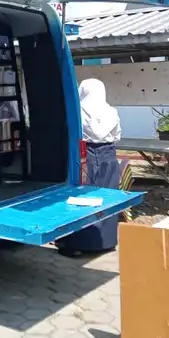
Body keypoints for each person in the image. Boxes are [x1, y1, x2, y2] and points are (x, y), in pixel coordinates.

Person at [56, 78, 122, 257]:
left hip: (86, 155)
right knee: (108, 197)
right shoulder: (111, 111)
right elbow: (117, 135)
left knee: (82, 198)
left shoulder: (78, 111)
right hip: (109, 155)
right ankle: (106, 242)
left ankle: (77, 244)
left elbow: (71, 132)